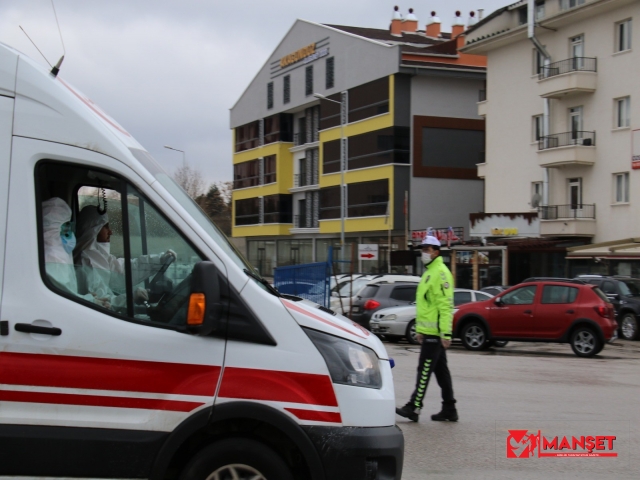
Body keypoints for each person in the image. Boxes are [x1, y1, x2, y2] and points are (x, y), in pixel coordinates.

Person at [396, 235, 458, 422]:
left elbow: (445, 305)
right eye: (422, 249)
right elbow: (426, 306)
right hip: (429, 332)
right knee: (441, 372)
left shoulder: (440, 273)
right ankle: (449, 408)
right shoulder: (429, 272)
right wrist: (421, 330)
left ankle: (414, 407)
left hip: (436, 334)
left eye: (428, 249)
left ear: (436, 252)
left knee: (424, 370)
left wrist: (446, 333)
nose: (424, 252)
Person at [74, 205, 176, 310]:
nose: (111, 232)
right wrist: (131, 298)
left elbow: (123, 270)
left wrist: (157, 261)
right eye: (106, 227)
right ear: (94, 229)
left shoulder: (96, 255)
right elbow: (103, 303)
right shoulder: (86, 261)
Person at [41, 197, 109, 308]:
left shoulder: (60, 253)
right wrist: (89, 300)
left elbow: (67, 292)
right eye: (65, 227)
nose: (70, 231)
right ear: (53, 227)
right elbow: (63, 297)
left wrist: (85, 298)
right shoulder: (52, 256)